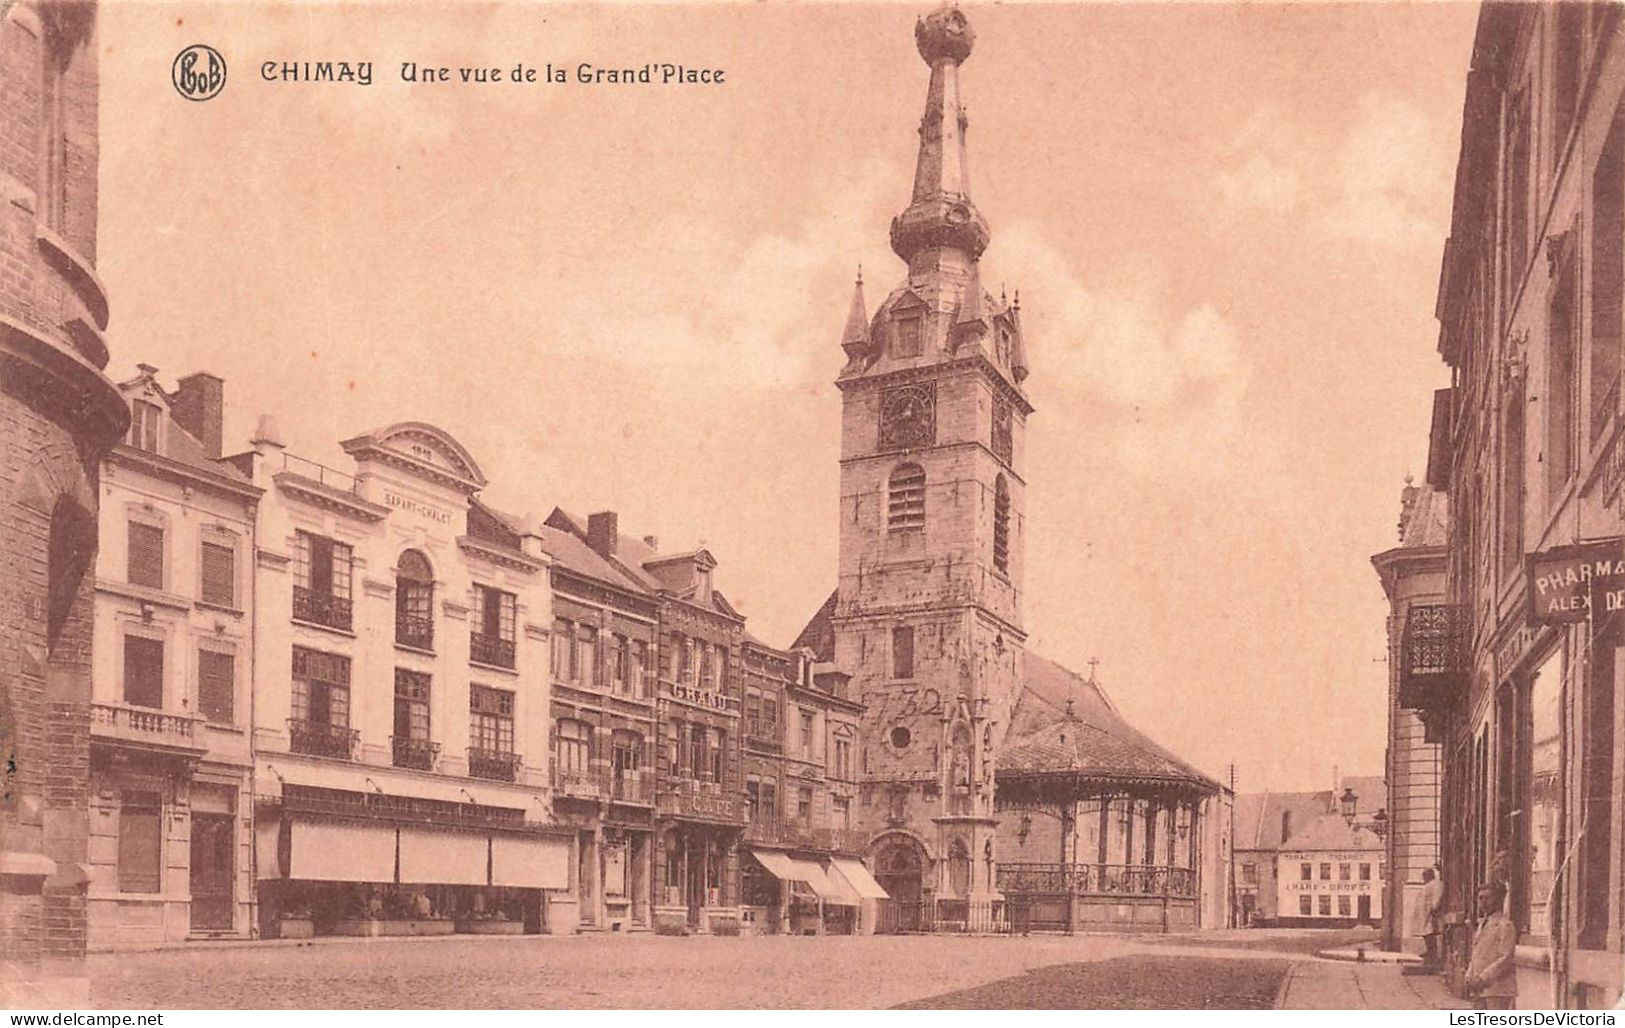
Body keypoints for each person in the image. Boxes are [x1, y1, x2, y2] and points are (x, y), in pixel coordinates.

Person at [1464, 880, 1517, 1009]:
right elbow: (1477, 953)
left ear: (1498, 900)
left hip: (1498, 990)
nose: (1483, 902)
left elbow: (1505, 958)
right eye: (1480, 898)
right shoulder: (1482, 924)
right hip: (1479, 989)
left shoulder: (1505, 925)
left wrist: (1483, 979)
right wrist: (1469, 975)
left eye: (1488, 898)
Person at [1419, 867, 1445, 968]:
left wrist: (1434, 907)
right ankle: (1430, 953)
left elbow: (1437, 898)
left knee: (1430, 933)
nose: (1424, 878)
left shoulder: (1437, 884)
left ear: (1431, 875)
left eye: (1425, 875)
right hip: (1426, 913)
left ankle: (1433, 955)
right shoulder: (1429, 885)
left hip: (1432, 914)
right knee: (1426, 933)